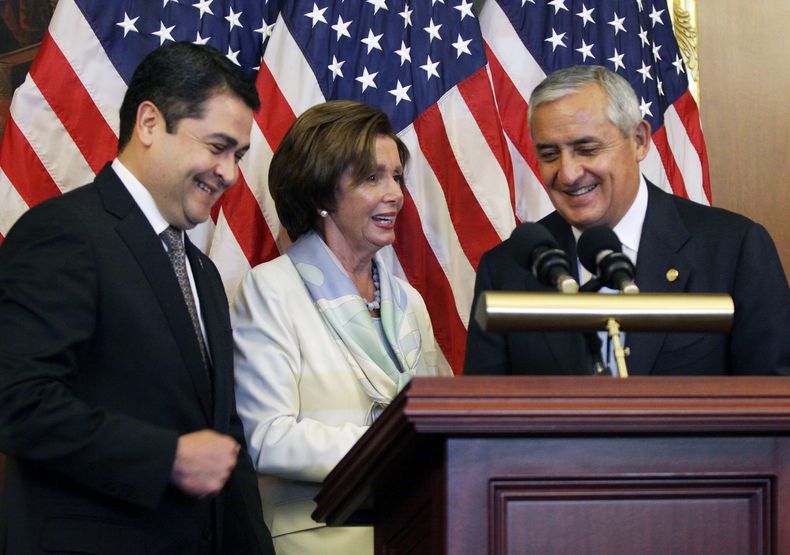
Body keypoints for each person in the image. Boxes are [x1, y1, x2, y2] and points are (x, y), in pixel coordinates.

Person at [0, 42, 274, 554]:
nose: (230, 173)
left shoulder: (205, 276)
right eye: (217, 147)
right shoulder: (64, 233)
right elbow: (17, 401)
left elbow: (224, 446)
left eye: (238, 155)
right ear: (150, 123)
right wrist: (164, 456)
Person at [464, 64, 790, 376]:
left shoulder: (732, 249)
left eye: (587, 149)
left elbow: (775, 403)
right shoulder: (506, 268)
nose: (568, 173)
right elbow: (481, 420)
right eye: (549, 155)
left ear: (639, 140)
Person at [232, 100, 453, 554]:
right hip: (320, 539)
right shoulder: (270, 289)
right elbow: (267, 437)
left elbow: (440, 416)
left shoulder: (408, 301)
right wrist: (397, 446)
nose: (394, 193)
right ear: (319, 194)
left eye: (396, 177)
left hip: (416, 532)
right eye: (372, 177)